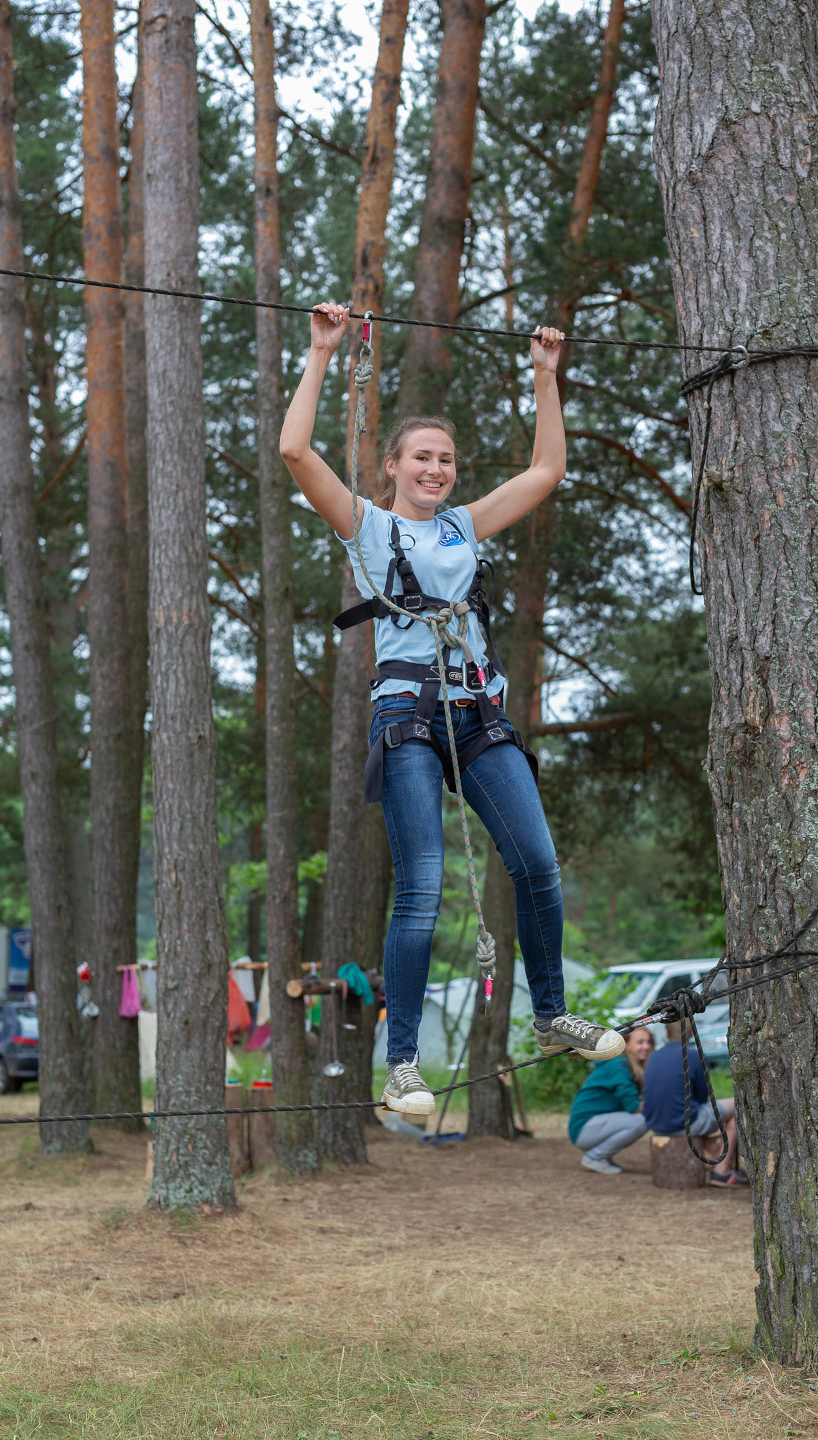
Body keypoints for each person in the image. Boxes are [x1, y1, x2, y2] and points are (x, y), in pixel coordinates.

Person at [279, 301, 626, 1117]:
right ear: (393, 467)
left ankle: (549, 1016)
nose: (436, 470)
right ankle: (401, 1065)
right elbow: (296, 449)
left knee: (537, 864)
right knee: (423, 888)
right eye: (422, 459)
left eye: (446, 460)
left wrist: (545, 378)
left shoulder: (466, 528)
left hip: (476, 716)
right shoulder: (367, 528)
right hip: (407, 720)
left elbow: (545, 474)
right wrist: (321, 353)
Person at [642, 1018, 747, 1186]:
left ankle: (712, 1146)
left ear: (666, 1033)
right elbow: (702, 1096)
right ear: (691, 1034)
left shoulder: (654, 1056)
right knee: (739, 1104)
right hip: (682, 1125)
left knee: (696, 1111)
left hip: (656, 1124)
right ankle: (721, 1171)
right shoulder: (693, 1054)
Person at [569, 1025, 655, 1175]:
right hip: (584, 1128)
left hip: (591, 1125)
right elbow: (633, 1107)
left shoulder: (626, 1065)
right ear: (626, 1044)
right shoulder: (619, 1066)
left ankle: (603, 1157)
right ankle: (594, 1157)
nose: (646, 1047)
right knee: (645, 1118)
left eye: (648, 1042)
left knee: (645, 1115)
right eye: (640, 1042)